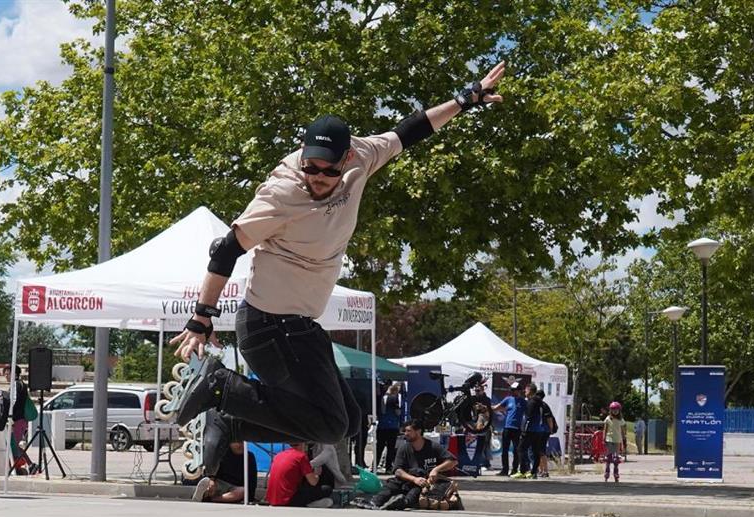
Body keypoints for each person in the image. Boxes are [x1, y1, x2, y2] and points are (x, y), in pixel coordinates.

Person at [166, 63, 508, 479]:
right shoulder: (282, 192)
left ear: (346, 159)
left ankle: (230, 420)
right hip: (268, 328)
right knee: (327, 422)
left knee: (348, 418)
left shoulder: (362, 155)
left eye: (329, 171)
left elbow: (411, 130)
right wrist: (202, 317)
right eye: (311, 167)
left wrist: (465, 100)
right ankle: (225, 389)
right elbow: (225, 250)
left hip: (300, 326)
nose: (319, 178)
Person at [368, 420, 456, 510]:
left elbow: (453, 461)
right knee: (391, 485)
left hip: (424, 483)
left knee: (415, 492)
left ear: (419, 431)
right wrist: (414, 479)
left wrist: (436, 470)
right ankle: (374, 502)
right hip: (408, 479)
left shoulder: (433, 446)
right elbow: (397, 470)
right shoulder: (403, 448)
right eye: (405, 431)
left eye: (409, 431)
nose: (406, 434)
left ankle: (401, 503)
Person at [265, 445, 333, 508]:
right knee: (327, 489)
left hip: (272, 500)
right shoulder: (301, 456)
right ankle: (307, 505)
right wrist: (317, 474)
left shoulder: (278, 455)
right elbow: (313, 482)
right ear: (302, 444)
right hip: (288, 500)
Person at [193, 441, 258, 503]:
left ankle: (213, 499)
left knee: (243, 491)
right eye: (237, 442)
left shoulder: (249, 456)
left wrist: (250, 498)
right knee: (206, 482)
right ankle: (200, 497)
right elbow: (211, 467)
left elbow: (252, 478)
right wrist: (212, 480)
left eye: (242, 442)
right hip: (218, 483)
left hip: (234, 487)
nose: (240, 445)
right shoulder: (222, 453)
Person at [2, 364, 34, 475]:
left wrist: (10, 417)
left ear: (14, 373)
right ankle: (19, 465)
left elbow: (13, 403)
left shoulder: (16, 385)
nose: (6, 376)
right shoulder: (20, 385)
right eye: (5, 374)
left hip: (17, 420)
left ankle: (28, 465)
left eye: (7, 374)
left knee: (13, 445)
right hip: (20, 419)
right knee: (12, 444)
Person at [516, 387, 551, 479]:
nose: (524, 391)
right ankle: (533, 472)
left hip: (530, 430)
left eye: (526, 390)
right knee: (536, 452)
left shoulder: (532, 402)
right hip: (539, 430)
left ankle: (523, 471)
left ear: (531, 391)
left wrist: (524, 430)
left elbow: (528, 417)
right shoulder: (542, 403)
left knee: (521, 449)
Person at [492, 383, 526, 476]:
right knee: (504, 450)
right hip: (507, 428)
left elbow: (528, 413)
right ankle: (504, 470)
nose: (513, 391)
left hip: (517, 429)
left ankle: (514, 470)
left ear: (519, 391)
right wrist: (486, 407)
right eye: (512, 390)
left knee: (516, 450)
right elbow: (496, 408)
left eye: (514, 390)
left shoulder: (523, 401)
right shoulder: (508, 399)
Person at [375, 382, 403, 472]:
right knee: (391, 448)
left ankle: (374, 465)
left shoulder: (381, 398)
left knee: (379, 447)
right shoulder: (395, 399)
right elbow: (398, 412)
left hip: (382, 426)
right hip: (392, 426)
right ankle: (388, 467)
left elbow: (381, 412)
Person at [603, 401, 626, 483]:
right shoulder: (608, 419)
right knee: (609, 457)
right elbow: (605, 429)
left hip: (617, 440)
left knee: (616, 458)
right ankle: (607, 471)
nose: (615, 411)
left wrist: (624, 439)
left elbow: (623, 430)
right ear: (610, 410)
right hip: (609, 439)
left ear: (619, 410)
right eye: (613, 410)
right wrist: (603, 438)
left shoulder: (621, 420)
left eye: (616, 410)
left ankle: (616, 473)